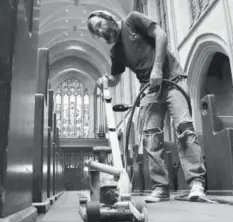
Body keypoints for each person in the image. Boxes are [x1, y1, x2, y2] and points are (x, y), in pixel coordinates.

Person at [87, 10, 207, 202]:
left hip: (172, 78)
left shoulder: (132, 20)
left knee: (184, 128)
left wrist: (158, 67)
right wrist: (104, 80)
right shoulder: (115, 51)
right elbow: (116, 78)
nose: (100, 32)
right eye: (96, 32)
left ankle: (196, 183)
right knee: (151, 137)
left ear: (107, 16)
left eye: (99, 25)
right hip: (149, 89)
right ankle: (161, 188)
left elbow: (161, 35)